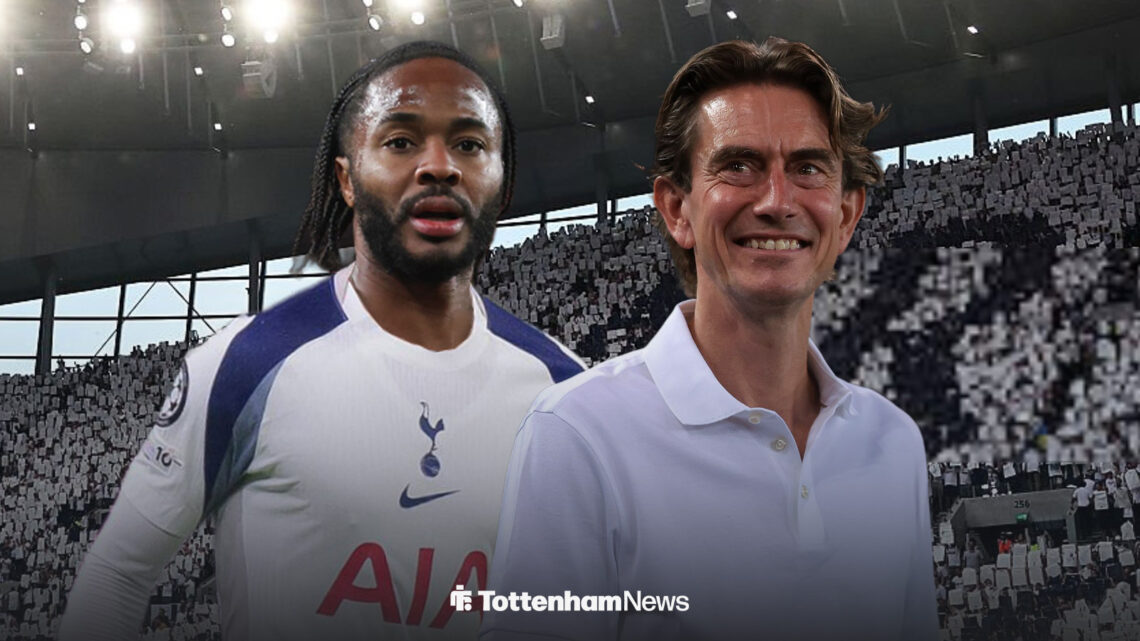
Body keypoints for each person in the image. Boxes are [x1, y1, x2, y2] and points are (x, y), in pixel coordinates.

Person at [60, 41, 583, 641]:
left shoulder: (563, 389)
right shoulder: (246, 364)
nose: (439, 165)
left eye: (469, 144)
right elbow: (117, 577)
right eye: (401, 141)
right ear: (347, 179)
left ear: (501, 181)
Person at [482, 38, 937, 641]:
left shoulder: (893, 442)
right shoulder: (578, 435)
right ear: (676, 209)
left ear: (847, 215)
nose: (777, 201)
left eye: (808, 168)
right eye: (738, 166)